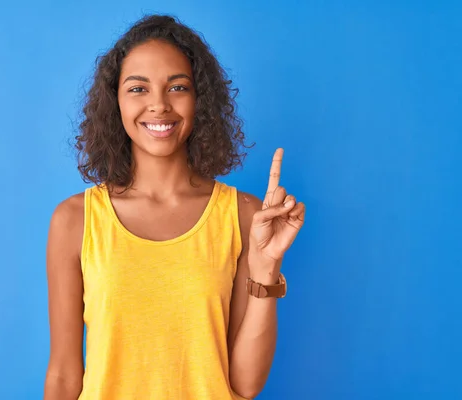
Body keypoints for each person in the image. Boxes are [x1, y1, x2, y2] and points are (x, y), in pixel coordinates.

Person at [43, 14, 305, 400]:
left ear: (200, 99)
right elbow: (65, 375)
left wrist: (267, 268)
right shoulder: (74, 220)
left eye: (177, 87)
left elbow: (245, 385)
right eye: (138, 89)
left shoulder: (244, 215)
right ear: (115, 100)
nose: (159, 105)